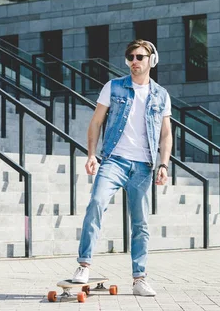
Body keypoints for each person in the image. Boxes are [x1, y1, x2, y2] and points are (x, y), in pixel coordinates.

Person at [72, 39, 172, 297]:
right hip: (114, 160)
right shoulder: (113, 87)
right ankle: (84, 265)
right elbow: (95, 122)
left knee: (140, 223)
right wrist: (92, 154)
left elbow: (166, 134)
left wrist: (164, 163)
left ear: (152, 60)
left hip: (144, 166)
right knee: (96, 202)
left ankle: (139, 278)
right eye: (130, 57)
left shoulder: (161, 95)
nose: (134, 62)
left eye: (139, 57)